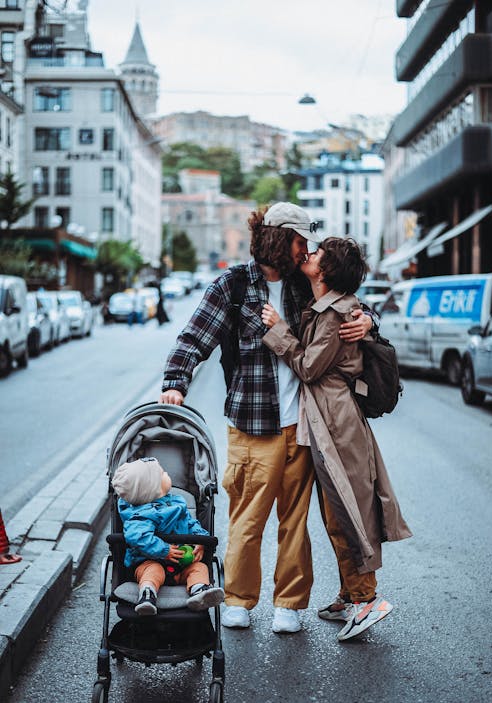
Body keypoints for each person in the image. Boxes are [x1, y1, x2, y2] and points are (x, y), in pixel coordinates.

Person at [159, 202, 375, 635]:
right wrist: (175, 382)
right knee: (247, 517)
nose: (305, 250)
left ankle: (289, 604)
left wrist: (368, 320)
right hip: (250, 424)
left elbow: (348, 303)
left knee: (294, 521)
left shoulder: (303, 285)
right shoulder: (232, 286)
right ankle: (239, 598)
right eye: (299, 242)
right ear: (279, 239)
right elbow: (194, 336)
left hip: (302, 423)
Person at [261, 236, 412, 641]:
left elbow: (309, 368)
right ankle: (350, 594)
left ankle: (366, 599)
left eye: (317, 255)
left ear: (325, 272)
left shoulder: (336, 314)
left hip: (337, 423)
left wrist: (278, 331)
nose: (307, 255)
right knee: (336, 510)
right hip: (328, 419)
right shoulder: (330, 306)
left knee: (347, 509)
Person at [112, 457, 224, 615]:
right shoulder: (140, 515)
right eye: (162, 473)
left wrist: (200, 539)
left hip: (182, 565)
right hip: (148, 563)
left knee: (199, 568)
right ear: (152, 488)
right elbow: (137, 537)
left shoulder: (176, 503)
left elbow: (190, 523)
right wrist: (164, 550)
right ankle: (147, 595)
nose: (166, 473)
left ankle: (199, 592)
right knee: (154, 570)